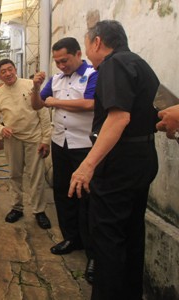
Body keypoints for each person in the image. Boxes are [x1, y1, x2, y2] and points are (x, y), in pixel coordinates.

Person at [69, 20, 159, 299]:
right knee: (131, 234)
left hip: (119, 163)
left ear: (97, 42)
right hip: (141, 159)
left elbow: (118, 118)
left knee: (107, 238)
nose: (88, 54)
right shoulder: (140, 63)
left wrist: (87, 165)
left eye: (86, 46)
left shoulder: (113, 64)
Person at [31, 37, 97, 283]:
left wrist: (56, 102)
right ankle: (71, 237)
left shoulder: (92, 74)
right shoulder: (56, 79)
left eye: (65, 60)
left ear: (78, 54)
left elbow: (90, 103)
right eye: (57, 62)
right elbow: (38, 105)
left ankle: (94, 253)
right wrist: (36, 88)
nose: (61, 66)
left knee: (87, 197)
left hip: (85, 146)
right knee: (62, 192)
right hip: (61, 143)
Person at [0, 59, 52, 229]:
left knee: (36, 176)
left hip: (34, 139)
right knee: (14, 175)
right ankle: (17, 207)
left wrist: (46, 140)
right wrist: (1, 129)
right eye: (3, 72)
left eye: (10, 69)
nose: (8, 74)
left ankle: (39, 211)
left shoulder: (31, 85)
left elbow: (43, 114)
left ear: (15, 69)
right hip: (12, 140)